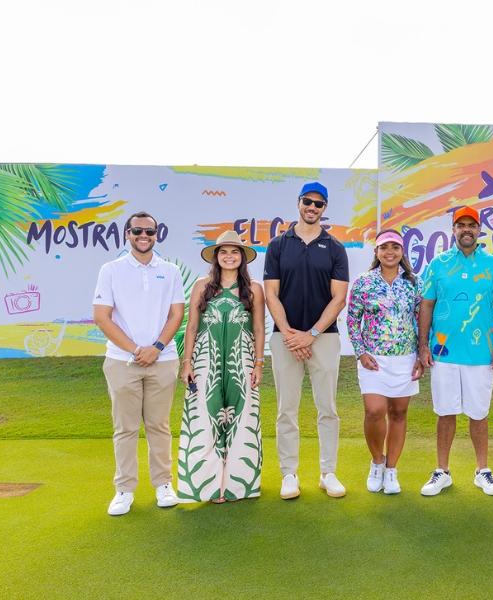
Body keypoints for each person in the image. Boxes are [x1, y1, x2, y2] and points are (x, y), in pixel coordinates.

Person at [92, 212, 184, 516]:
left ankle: (163, 484)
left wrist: (156, 348)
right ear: (127, 234)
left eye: (149, 231)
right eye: (137, 231)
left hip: (163, 359)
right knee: (125, 427)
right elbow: (102, 317)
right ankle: (124, 490)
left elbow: (176, 314)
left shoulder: (170, 271)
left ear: (157, 235)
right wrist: (135, 350)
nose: (144, 236)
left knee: (159, 426)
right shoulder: (111, 270)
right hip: (122, 361)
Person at [417, 206, 493, 497]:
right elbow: (427, 305)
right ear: (454, 230)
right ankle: (442, 471)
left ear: (479, 230)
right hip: (443, 352)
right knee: (445, 412)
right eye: (461, 225)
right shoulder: (438, 264)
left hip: (481, 354)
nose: (467, 230)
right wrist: (423, 345)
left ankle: (482, 471)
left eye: (472, 225)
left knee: (478, 413)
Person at [263, 181, 349, 500]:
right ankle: (289, 474)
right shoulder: (278, 245)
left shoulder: (335, 248)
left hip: (323, 338)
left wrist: (310, 335)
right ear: (298, 203)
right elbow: (271, 293)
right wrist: (290, 333)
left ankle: (328, 473)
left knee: (327, 408)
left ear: (325, 208)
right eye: (307, 202)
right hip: (285, 338)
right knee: (286, 409)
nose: (312, 208)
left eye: (318, 203)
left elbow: (338, 298)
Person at [177, 231, 266, 503]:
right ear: (216, 257)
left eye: (235, 252)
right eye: (224, 252)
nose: (229, 257)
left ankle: (238, 487)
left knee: (242, 418)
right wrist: (187, 362)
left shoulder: (254, 288)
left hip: (242, 359)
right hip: (206, 359)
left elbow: (259, 328)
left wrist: (259, 363)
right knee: (206, 416)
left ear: (242, 257)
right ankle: (208, 487)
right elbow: (192, 327)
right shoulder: (202, 286)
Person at [347, 229, 424, 495]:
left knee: (399, 413)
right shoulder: (363, 282)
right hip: (373, 359)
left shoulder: (414, 282)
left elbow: (421, 320)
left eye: (395, 247)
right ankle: (377, 462)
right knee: (374, 411)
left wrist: (421, 355)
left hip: (405, 358)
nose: (390, 252)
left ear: (402, 252)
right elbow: (353, 320)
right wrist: (360, 352)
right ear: (376, 252)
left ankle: (391, 469)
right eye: (384, 247)